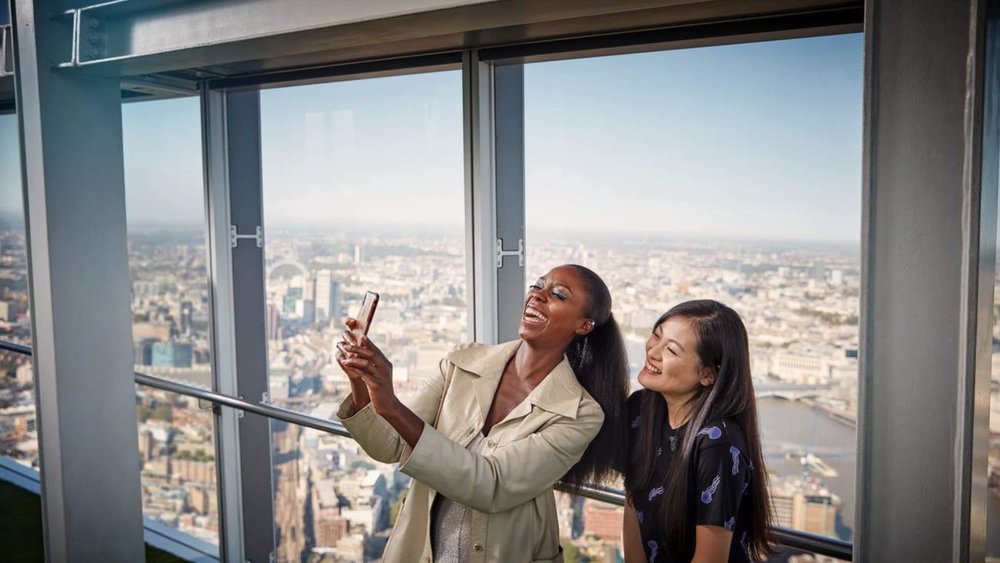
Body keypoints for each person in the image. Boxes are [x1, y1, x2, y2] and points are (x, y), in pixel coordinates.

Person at [335, 264, 630, 562]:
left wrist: (392, 406)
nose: (537, 295)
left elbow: (491, 486)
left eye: (557, 294)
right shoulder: (462, 362)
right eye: (537, 285)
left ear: (583, 325)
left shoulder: (580, 413)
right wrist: (363, 384)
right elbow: (391, 446)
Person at [623, 300, 773, 563]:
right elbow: (633, 501)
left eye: (671, 349)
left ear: (707, 375)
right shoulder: (640, 409)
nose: (653, 352)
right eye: (656, 336)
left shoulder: (717, 442)